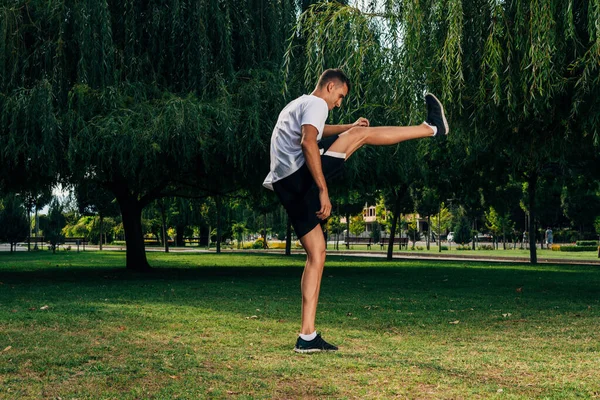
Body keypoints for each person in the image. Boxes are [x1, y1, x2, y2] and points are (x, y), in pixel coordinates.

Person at [263, 69, 449, 353]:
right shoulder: (315, 104)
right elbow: (308, 141)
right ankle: (431, 128)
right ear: (329, 86)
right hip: (298, 177)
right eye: (339, 96)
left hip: (284, 185)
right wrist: (323, 189)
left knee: (317, 254)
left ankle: (307, 336)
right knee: (360, 137)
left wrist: (348, 127)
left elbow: (318, 131)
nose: (338, 103)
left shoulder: (297, 105)